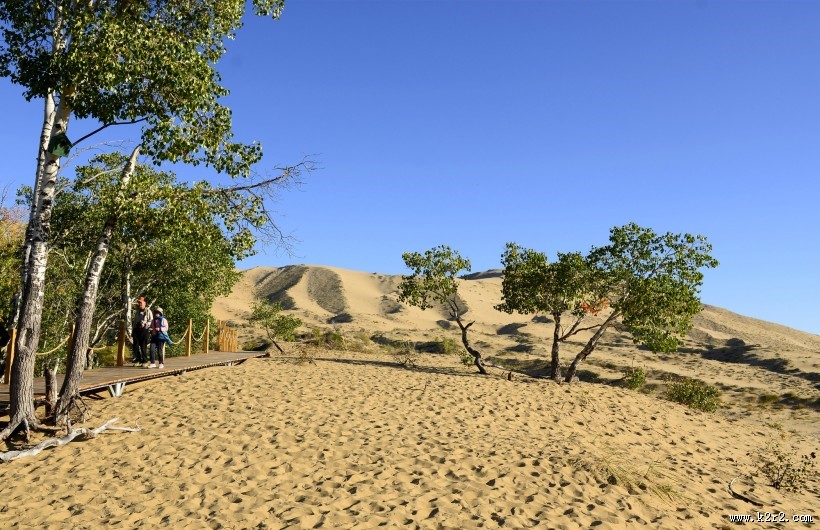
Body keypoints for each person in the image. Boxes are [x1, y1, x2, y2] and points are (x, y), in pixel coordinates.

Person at [131, 297, 151, 366]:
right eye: (139, 303)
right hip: (136, 330)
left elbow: (151, 321)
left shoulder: (148, 311)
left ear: (144, 303)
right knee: (135, 346)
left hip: (144, 330)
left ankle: (145, 361)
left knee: (143, 347)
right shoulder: (137, 311)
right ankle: (138, 360)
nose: (139, 304)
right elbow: (135, 321)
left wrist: (145, 324)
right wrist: (133, 331)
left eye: (141, 303)